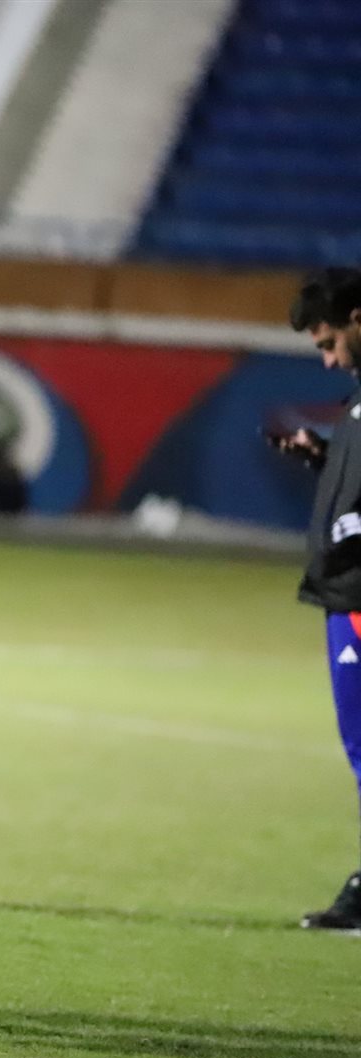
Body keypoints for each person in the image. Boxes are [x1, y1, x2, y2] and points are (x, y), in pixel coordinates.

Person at [273, 267, 361, 933]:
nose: (328, 359)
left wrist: (348, 528)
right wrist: (322, 457)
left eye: (330, 342)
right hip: (345, 593)